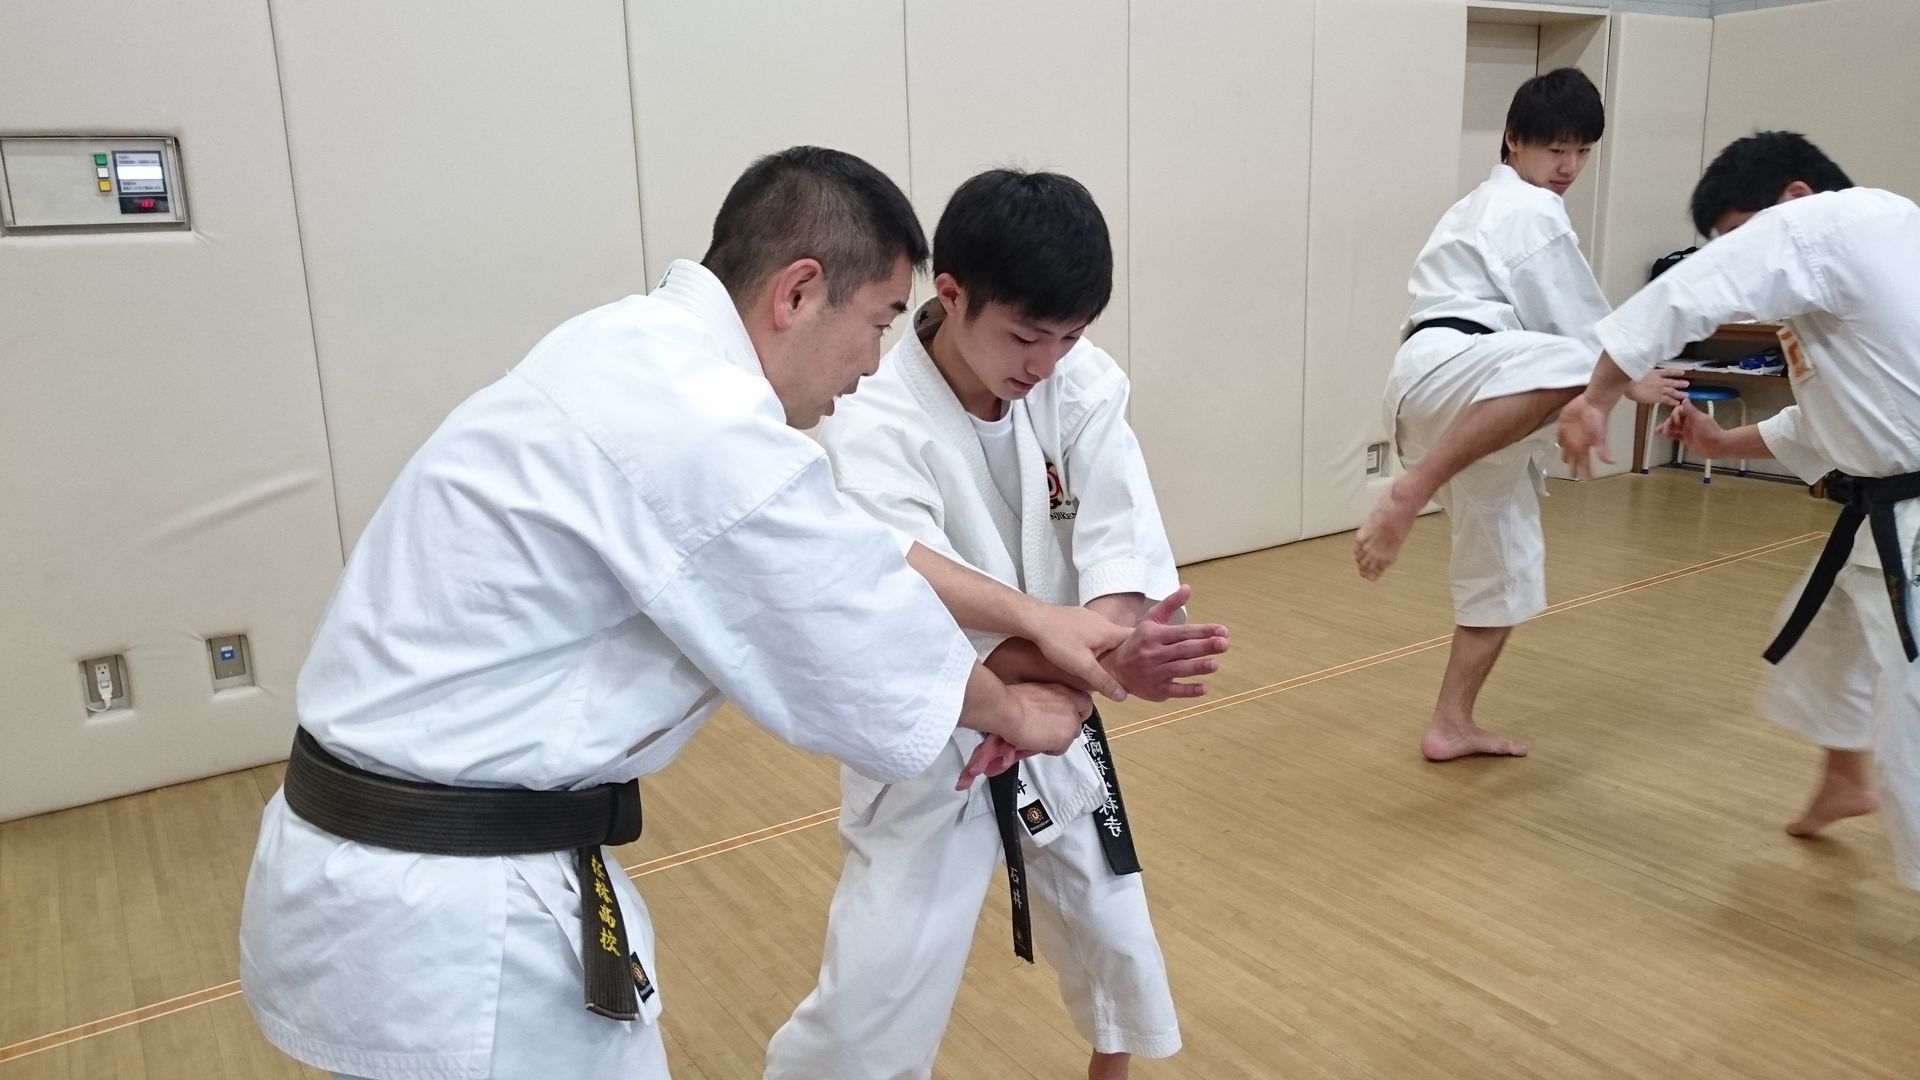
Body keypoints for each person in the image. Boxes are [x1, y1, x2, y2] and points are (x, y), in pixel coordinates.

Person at [237, 146, 1134, 1080]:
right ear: (798, 292)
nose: (874, 364)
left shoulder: (622, 348)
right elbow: (845, 615)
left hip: (379, 876)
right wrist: (1012, 705)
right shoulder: (698, 415)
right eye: (876, 324)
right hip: (457, 916)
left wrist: (1019, 637)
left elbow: (838, 558)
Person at [765, 170, 1228, 1080]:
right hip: (932, 723)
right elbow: (901, 586)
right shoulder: (872, 410)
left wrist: (1094, 657)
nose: (1045, 362)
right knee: (878, 991)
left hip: (1052, 712)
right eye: (1024, 335)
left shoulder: (1078, 383)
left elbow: (1118, 550)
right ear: (950, 294)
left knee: (1114, 930)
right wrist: (1069, 666)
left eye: (1070, 335)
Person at [1558, 131, 1920, 885]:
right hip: (1889, 506)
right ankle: (1844, 777)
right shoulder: (1875, 248)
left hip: (1911, 518)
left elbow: (1688, 290)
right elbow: (1844, 416)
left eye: (1739, 236)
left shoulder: (1827, 222)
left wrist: (1595, 396)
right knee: (1825, 631)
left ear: (1794, 196)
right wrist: (1721, 444)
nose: (1741, 259)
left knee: (1912, 716)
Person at [1352, 67, 1686, 760]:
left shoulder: (1472, 206)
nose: (1569, 167)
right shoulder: (1529, 208)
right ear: (1513, 139)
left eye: (1583, 151)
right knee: (1589, 358)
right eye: (1555, 148)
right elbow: (1585, 329)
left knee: (1505, 574)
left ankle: (1451, 724)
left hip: (1442, 395)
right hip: (1462, 369)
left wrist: (1612, 380)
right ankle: (1410, 491)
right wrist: (1624, 382)